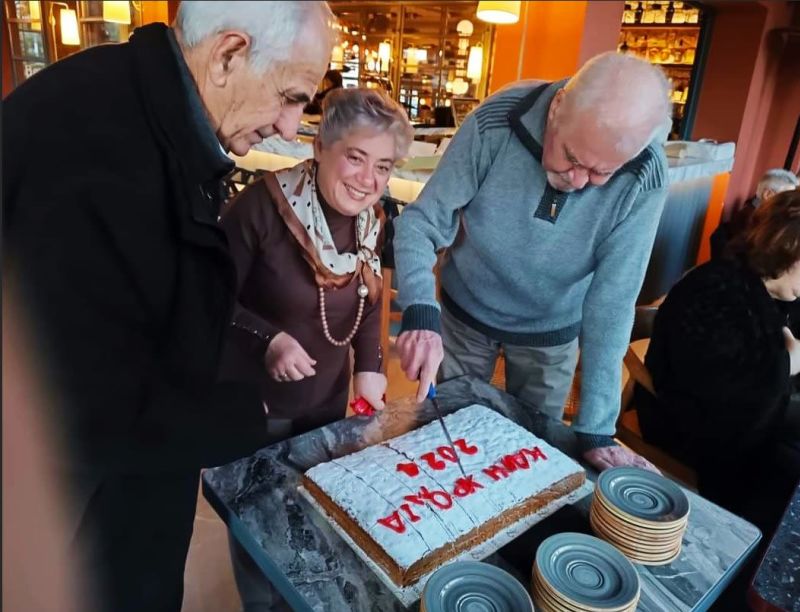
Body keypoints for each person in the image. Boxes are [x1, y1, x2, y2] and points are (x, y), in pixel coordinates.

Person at [1, 2, 335, 611]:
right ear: (229, 55)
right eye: (290, 96)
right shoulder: (94, 156)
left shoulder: (135, 97)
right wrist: (245, 413)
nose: (291, 128)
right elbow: (79, 405)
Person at [393, 51, 671, 473]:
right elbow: (420, 224)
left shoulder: (645, 174)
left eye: (600, 174)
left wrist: (596, 430)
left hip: (552, 330)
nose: (578, 181)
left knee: (527, 457)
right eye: (572, 157)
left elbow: (612, 303)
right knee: (441, 440)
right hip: (465, 312)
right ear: (557, 106)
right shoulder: (498, 120)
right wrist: (419, 310)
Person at [218, 87, 413, 611]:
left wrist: (370, 368)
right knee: (257, 521)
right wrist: (267, 340)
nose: (368, 180)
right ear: (322, 144)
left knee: (312, 516)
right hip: (254, 404)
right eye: (355, 157)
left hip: (325, 404)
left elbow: (373, 295)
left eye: (383, 166)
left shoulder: (373, 219)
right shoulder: (263, 203)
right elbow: (205, 297)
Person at [635, 190, 800, 536]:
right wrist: (787, 363)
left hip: (749, 429)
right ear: (787, 250)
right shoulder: (714, 289)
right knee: (793, 491)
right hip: (689, 427)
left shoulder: (767, 289)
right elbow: (710, 383)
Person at [709, 168, 799, 259]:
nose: (790, 203)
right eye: (786, 197)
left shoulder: (762, 215)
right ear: (768, 194)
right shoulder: (751, 218)